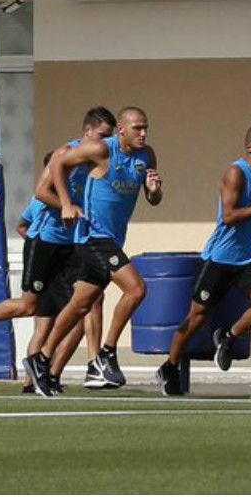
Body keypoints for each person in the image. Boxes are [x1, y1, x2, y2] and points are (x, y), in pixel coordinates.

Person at [38, 106, 161, 396]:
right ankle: (106, 354)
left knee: (81, 305)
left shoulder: (147, 156)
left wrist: (154, 190)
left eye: (146, 128)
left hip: (114, 240)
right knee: (136, 289)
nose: (143, 133)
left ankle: (42, 360)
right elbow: (58, 162)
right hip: (93, 235)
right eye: (137, 128)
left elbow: (153, 199)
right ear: (121, 130)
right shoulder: (100, 150)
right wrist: (66, 202)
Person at [158, 124, 251, 396]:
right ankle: (169, 365)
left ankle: (228, 336)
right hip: (219, 258)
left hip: (245, 258)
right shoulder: (235, 173)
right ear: (250, 148)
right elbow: (228, 216)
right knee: (197, 317)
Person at [4, 108, 114, 395]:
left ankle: (62, 371)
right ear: (87, 132)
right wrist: (65, 204)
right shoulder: (66, 156)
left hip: (73, 247)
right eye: (103, 135)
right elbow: (29, 213)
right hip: (46, 248)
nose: (106, 142)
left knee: (88, 304)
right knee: (32, 311)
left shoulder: (101, 163)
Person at [0, 148, 73, 365]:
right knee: (34, 310)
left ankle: (38, 378)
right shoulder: (47, 196)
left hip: (63, 254)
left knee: (57, 318)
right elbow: (22, 225)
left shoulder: (76, 187)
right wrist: (37, 256)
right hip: (46, 252)